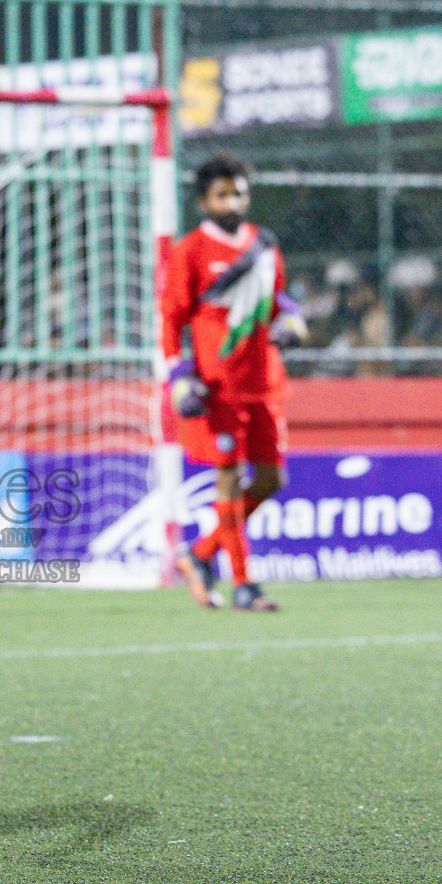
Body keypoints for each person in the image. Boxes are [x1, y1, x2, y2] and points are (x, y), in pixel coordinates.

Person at [158, 153, 306, 612]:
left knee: (270, 479)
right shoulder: (191, 251)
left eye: (239, 192)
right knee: (227, 477)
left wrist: (294, 321)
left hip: (264, 382)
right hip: (217, 388)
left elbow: (278, 298)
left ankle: (201, 555)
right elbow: (171, 321)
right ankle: (244, 585)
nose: (233, 201)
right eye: (222, 194)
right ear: (204, 201)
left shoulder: (264, 244)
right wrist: (179, 377)